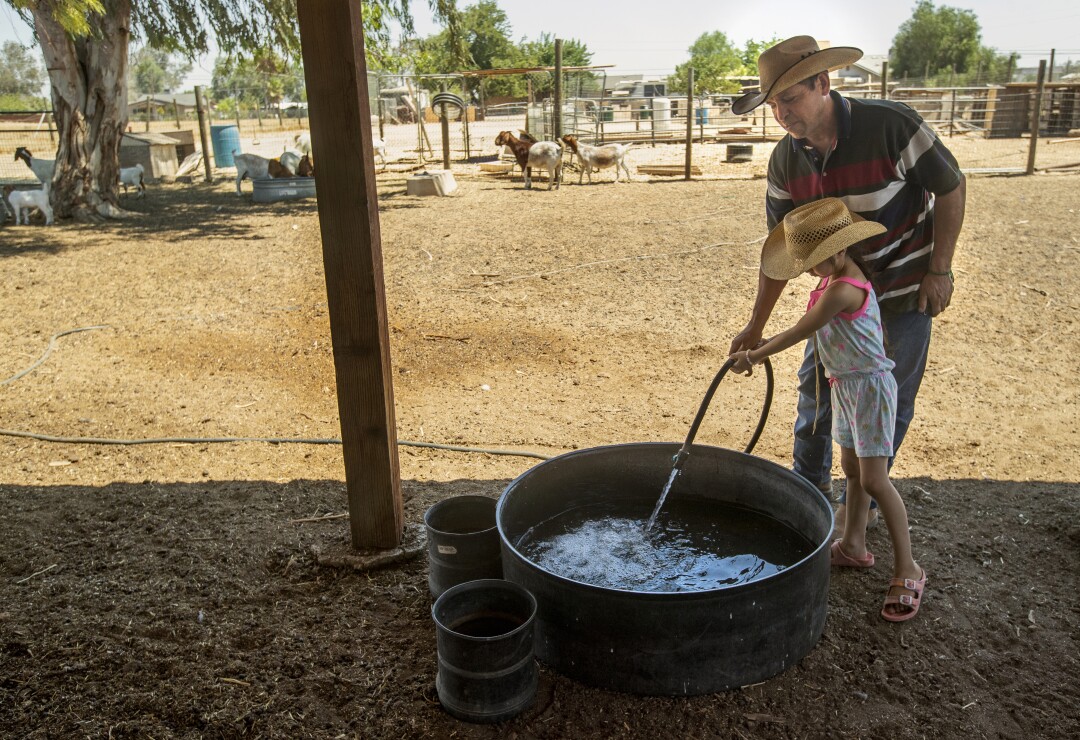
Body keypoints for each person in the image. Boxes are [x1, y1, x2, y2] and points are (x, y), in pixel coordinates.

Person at [728, 36, 966, 533]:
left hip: (901, 289)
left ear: (823, 82)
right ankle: (808, 499)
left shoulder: (892, 126)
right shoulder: (785, 161)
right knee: (815, 395)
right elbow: (782, 245)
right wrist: (755, 324)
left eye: (790, 99)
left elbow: (950, 185)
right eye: (773, 104)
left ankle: (862, 509)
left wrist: (939, 268)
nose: (781, 115)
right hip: (838, 303)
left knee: (886, 399)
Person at [730, 198, 925, 621]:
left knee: (875, 479)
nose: (807, 270)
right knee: (853, 471)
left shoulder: (842, 289)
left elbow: (803, 330)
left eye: (814, 261)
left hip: (869, 390)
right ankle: (853, 546)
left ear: (841, 249)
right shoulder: (831, 279)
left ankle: (909, 567)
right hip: (847, 388)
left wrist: (755, 354)